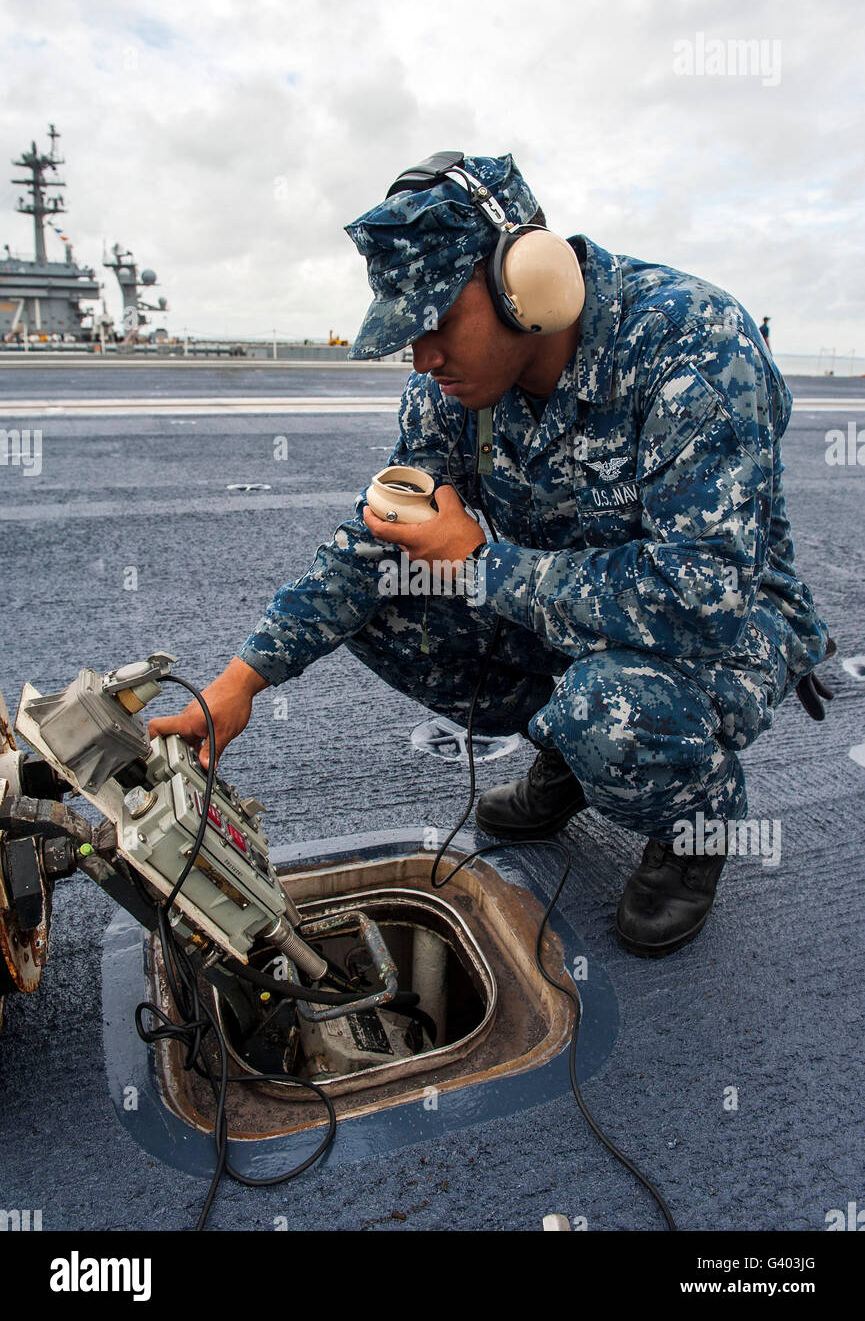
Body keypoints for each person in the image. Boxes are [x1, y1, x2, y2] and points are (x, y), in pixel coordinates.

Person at [149, 152, 829, 958]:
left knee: (606, 707)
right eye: (408, 335)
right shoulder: (449, 394)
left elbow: (699, 594)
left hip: (722, 630)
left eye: (436, 322)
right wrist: (238, 685)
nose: (421, 358)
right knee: (390, 596)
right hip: (567, 607)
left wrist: (481, 565)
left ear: (526, 283)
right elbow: (377, 540)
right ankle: (570, 761)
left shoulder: (692, 348)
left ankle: (696, 826)